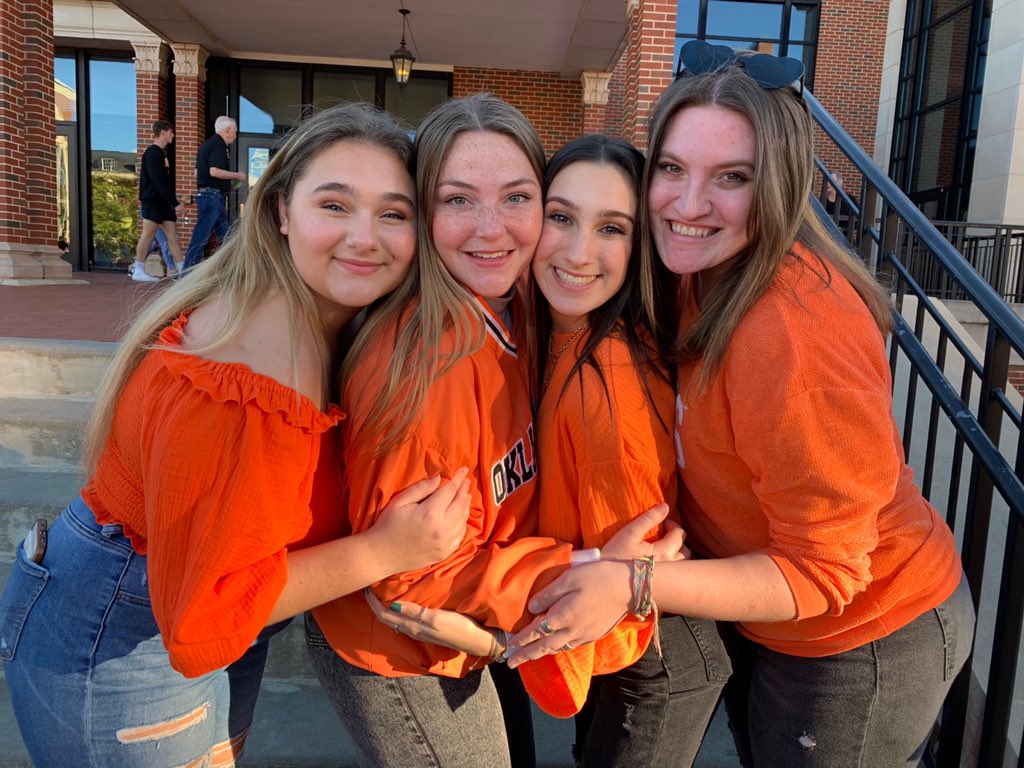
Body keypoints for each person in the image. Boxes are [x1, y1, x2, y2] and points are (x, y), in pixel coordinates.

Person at [506, 41, 976, 768]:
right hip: (769, 623)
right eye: (671, 169)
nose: (689, 205)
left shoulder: (794, 327)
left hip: (866, 634)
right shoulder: (691, 271)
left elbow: (825, 573)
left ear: (779, 186)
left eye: (732, 177)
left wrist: (633, 581)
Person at [0, 103, 472, 768]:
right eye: (334, 205)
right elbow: (200, 619)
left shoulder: (321, 319)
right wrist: (385, 550)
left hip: (186, 612)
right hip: (127, 630)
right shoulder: (254, 368)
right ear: (280, 211)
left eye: (394, 214)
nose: (366, 236)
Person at [304, 95, 682, 768]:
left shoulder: (518, 305)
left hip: (473, 632)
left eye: (516, 198)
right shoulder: (428, 364)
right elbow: (409, 577)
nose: (490, 228)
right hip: (403, 657)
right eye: (457, 200)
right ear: (421, 211)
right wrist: (589, 572)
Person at [374, 134, 731, 768]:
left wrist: (494, 643)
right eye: (561, 217)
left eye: (612, 228)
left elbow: (607, 587)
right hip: (622, 652)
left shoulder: (606, 382)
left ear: (640, 244)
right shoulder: (549, 327)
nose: (577, 251)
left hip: (642, 658)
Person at [182, 116, 246, 272]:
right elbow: (214, 171)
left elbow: (198, 173)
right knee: (202, 235)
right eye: (235, 132)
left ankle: (235, 269)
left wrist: (226, 185)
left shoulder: (206, 146)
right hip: (211, 197)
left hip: (209, 195)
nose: (235, 136)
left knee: (226, 235)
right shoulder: (218, 144)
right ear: (227, 130)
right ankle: (187, 273)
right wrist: (237, 175)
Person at [132, 119, 184, 283]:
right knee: (148, 234)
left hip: (163, 203)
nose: (173, 135)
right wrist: (175, 203)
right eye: (171, 132)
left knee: (173, 237)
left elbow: (163, 182)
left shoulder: (162, 153)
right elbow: (157, 181)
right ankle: (138, 269)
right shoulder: (152, 153)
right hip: (153, 201)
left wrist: (171, 202)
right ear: (163, 133)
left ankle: (182, 271)